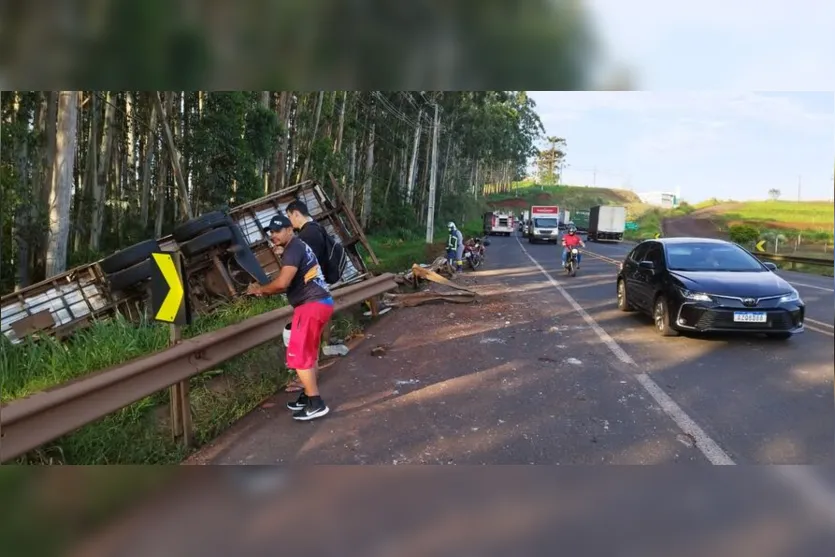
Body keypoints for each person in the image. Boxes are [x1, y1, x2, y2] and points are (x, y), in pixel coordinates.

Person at [247, 214, 333, 421]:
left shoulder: (293, 248)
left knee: (299, 356)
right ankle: (307, 396)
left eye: (277, 231)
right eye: (271, 232)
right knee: (309, 354)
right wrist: (265, 290)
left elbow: (282, 283)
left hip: (310, 305)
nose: (273, 235)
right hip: (320, 302)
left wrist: (260, 289)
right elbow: (290, 283)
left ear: (289, 230)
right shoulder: (297, 247)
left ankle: (316, 403)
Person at [284, 199, 331, 393]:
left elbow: (304, 265)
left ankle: (309, 388)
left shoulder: (307, 235)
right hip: (320, 293)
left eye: (289, 217)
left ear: (296, 213)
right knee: (312, 339)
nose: (290, 223)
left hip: (310, 296)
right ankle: (311, 379)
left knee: (304, 342)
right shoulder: (318, 229)